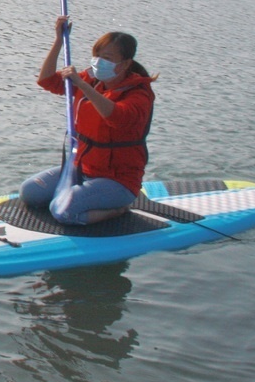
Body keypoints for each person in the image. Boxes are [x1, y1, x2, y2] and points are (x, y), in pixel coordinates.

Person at [20, 16, 157, 225]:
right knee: (29, 192)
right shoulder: (91, 79)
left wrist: (81, 85)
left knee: (61, 211)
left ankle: (118, 209)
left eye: (107, 58)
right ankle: (80, 195)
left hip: (118, 181)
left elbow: (116, 117)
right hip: (81, 169)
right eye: (97, 55)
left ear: (125, 64)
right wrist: (59, 40)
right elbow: (46, 80)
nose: (99, 62)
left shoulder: (139, 95)